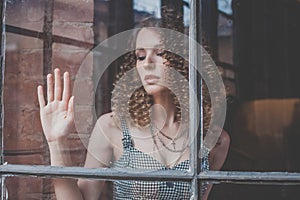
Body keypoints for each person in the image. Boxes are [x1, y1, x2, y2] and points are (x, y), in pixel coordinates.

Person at [37, 23, 230, 199]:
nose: (147, 63)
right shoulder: (112, 127)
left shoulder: (215, 139)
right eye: (140, 56)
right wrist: (57, 143)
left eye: (160, 53)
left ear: (184, 60)